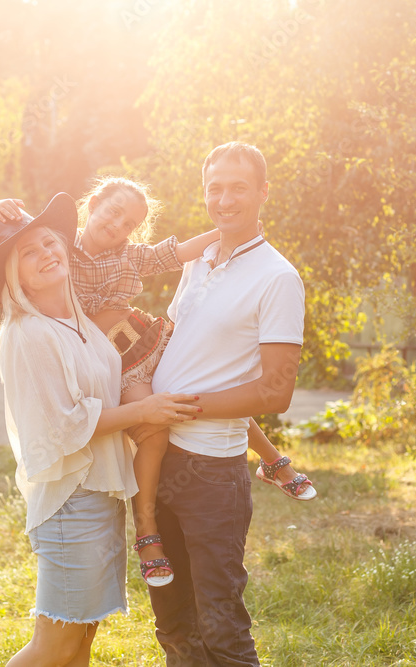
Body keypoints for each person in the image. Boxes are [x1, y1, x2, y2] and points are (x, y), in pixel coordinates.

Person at [0, 177, 314, 589]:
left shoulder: (130, 256)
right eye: (112, 212)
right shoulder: (60, 247)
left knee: (200, 384)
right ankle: (146, 530)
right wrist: (2, 206)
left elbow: (176, 253)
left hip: (143, 337)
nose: (117, 225)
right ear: (92, 204)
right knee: (156, 429)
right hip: (118, 360)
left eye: (129, 223)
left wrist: (229, 231)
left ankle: (271, 459)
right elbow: (21, 242)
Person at [0, 193, 201, 667]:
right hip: (70, 502)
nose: (47, 254)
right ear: (14, 275)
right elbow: (66, 424)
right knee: (52, 646)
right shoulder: (29, 333)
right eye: (29, 252)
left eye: (50, 242)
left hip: (99, 496)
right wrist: (148, 412)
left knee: (79, 644)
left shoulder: (81, 322)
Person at [148, 142, 306, 666]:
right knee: (173, 625)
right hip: (156, 457)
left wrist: (184, 408)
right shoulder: (198, 262)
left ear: (262, 193)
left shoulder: (278, 277)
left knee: (221, 629)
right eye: (215, 187)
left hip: (212, 471)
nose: (225, 198)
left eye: (238, 187)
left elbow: (274, 391)